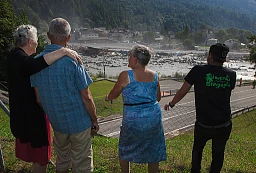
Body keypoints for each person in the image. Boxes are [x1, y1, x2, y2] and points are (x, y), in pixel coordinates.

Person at [7, 24, 82, 173]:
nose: (37, 44)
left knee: (37, 157)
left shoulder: (12, 56)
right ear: (29, 42)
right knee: (41, 159)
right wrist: (63, 51)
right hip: (32, 119)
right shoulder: (21, 59)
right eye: (36, 42)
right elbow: (34, 64)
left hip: (21, 116)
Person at [30, 18, 99, 173]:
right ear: (68, 38)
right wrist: (94, 120)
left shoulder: (35, 62)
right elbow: (86, 96)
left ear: (48, 35)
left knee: (62, 160)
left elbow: (39, 99)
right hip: (79, 122)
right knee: (82, 163)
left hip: (57, 122)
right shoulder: (72, 60)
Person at [164, 43, 236, 173]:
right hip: (224, 123)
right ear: (224, 58)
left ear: (210, 55)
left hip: (204, 123)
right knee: (218, 154)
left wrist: (172, 103)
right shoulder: (231, 74)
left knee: (197, 151)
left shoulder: (198, 70)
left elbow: (182, 91)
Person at [105, 45, 166, 173]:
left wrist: (108, 97)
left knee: (126, 146)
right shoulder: (155, 75)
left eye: (130, 56)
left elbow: (114, 93)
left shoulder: (126, 75)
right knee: (153, 147)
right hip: (153, 117)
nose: (128, 58)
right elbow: (158, 97)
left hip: (133, 118)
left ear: (135, 60)